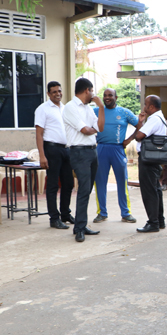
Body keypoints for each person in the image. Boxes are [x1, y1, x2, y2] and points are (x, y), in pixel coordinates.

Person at [63, 78, 104, 243]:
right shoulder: (70, 107)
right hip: (79, 152)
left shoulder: (89, 108)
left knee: (86, 191)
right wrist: (94, 130)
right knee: (83, 189)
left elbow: (99, 127)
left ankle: (81, 225)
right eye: (92, 91)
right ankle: (79, 229)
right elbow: (86, 130)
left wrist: (101, 107)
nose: (93, 94)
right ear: (87, 90)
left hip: (92, 152)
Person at [92, 88, 139, 224]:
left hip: (118, 149)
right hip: (101, 148)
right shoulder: (96, 111)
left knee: (122, 182)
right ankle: (102, 213)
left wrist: (129, 140)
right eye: (105, 95)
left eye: (110, 95)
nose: (107, 98)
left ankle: (126, 213)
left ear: (116, 97)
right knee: (100, 182)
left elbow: (139, 125)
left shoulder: (124, 112)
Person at [34, 81, 73, 229]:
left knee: (68, 183)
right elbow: (39, 134)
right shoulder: (42, 109)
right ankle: (54, 218)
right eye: (54, 92)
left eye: (59, 91)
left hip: (66, 149)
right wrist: (42, 156)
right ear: (48, 94)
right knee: (52, 185)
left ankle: (65, 214)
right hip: (52, 149)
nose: (58, 94)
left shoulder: (65, 108)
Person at [128, 95, 167, 233]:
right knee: (155, 190)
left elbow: (139, 136)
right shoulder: (160, 118)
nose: (144, 107)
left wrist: (139, 123)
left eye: (145, 104)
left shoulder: (155, 119)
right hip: (154, 159)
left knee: (149, 191)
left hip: (148, 160)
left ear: (151, 107)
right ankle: (159, 220)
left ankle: (153, 222)